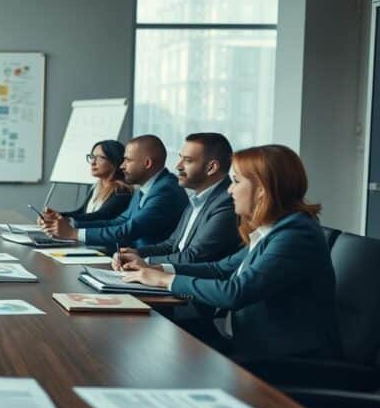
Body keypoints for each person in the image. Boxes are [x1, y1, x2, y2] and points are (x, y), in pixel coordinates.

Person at [118, 145, 340, 358]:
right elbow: (221, 268)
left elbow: (236, 292)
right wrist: (154, 268)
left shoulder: (295, 235)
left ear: (262, 190)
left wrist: (165, 280)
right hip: (240, 340)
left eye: (236, 181)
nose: (229, 190)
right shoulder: (272, 228)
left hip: (278, 358)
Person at [114, 133, 242, 266]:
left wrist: (144, 262)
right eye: (181, 158)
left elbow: (193, 257)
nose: (178, 166)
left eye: (188, 160)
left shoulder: (227, 203)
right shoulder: (198, 198)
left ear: (211, 167)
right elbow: (171, 245)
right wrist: (136, 254)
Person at [40, 134, 188, 248]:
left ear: (147, 163)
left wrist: (73, 232)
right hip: (134, 259)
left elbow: (128, 230)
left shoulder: (165, 191)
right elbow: (120, 221)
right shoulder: (146, 186)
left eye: (128, 160)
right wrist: (70, 225)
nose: (122, 166)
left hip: (149, 264)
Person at [40, 140, 131, 224]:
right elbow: (82, 212)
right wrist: (58, 215)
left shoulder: (121, 191)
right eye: (92, 157)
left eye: (100, 158)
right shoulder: (96, 186)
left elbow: (100, 216)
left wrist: (62, 218)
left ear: (115, 161)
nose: (93, 162)